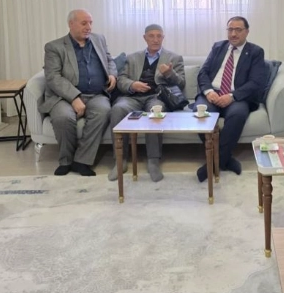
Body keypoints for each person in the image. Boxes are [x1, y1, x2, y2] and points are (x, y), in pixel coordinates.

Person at [39, 9, 117, 176]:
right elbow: (53, 77)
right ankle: (66, 161)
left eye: (90, 23)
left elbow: (109, 60)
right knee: (63, 117)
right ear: (71, 24)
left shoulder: (99, 39)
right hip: (63, 97)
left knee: (103, 111)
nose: (89, 27)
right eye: (84, 23)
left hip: (96, 94)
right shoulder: (54, 47)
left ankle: (82, 161)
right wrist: (74, 97)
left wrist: (112, 74)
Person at [193, 16, 268, 182]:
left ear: (247, 32)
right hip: (212, 93)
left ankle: (214, 162)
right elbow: (203, 72)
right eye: (230, 29)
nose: (233, 34)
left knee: (238, 115)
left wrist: (232, 96)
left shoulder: (255, 52)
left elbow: (256, 82)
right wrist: (208, 91)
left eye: (238, 30)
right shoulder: (218, 47)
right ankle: (226, 159)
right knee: (201, 113)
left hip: (237, 96)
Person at [106, 24, 186, 182]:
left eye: (159, 36)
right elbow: (121, 79)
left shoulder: (174, 58)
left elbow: (181, 84)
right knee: (117, 109)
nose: (155, 39)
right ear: (145, 38)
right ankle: (120, 160)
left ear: (163, 38)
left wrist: (169, 73)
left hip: (156, 97)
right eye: (151, 36)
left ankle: (153, 161)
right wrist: (132, 85)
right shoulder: (132, 58)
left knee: (156, 111)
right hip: (132, 97)